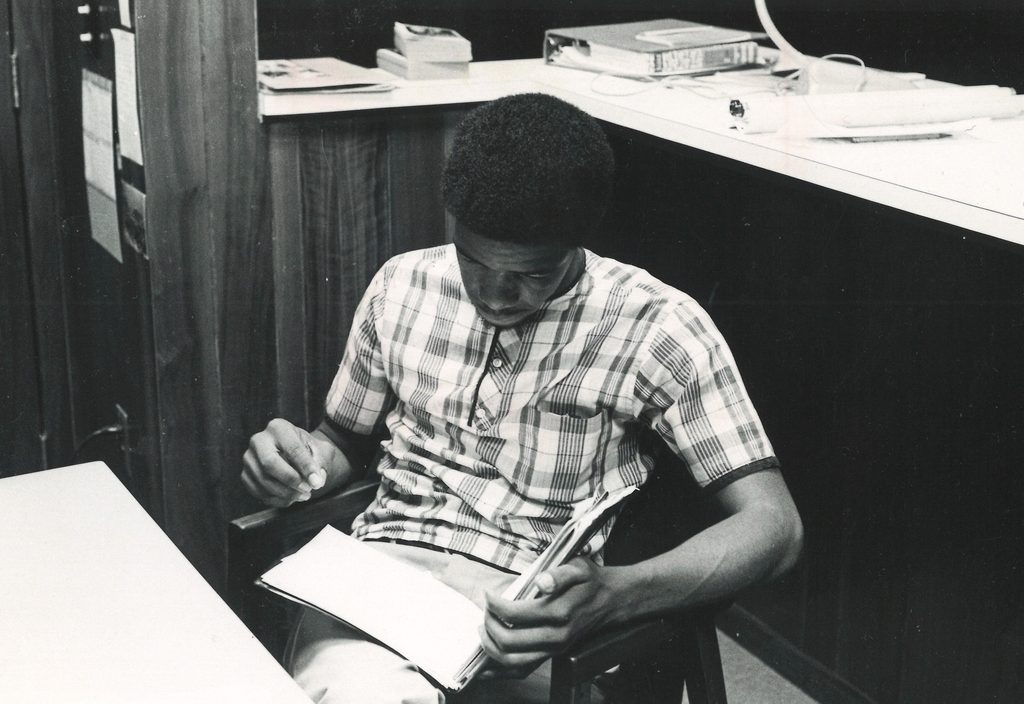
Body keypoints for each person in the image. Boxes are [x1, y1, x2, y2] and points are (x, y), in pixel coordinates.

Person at [242, 92, 803, 704]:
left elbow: (775, 528)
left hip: (529, 606)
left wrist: (618, 592)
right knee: (355, 692)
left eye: (533, 274)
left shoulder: (656, 326)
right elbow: (343, 439)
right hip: (384, 583)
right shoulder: (402, 285)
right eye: (474, 261)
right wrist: (298, 466)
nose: (496, 296)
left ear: (579, 242)